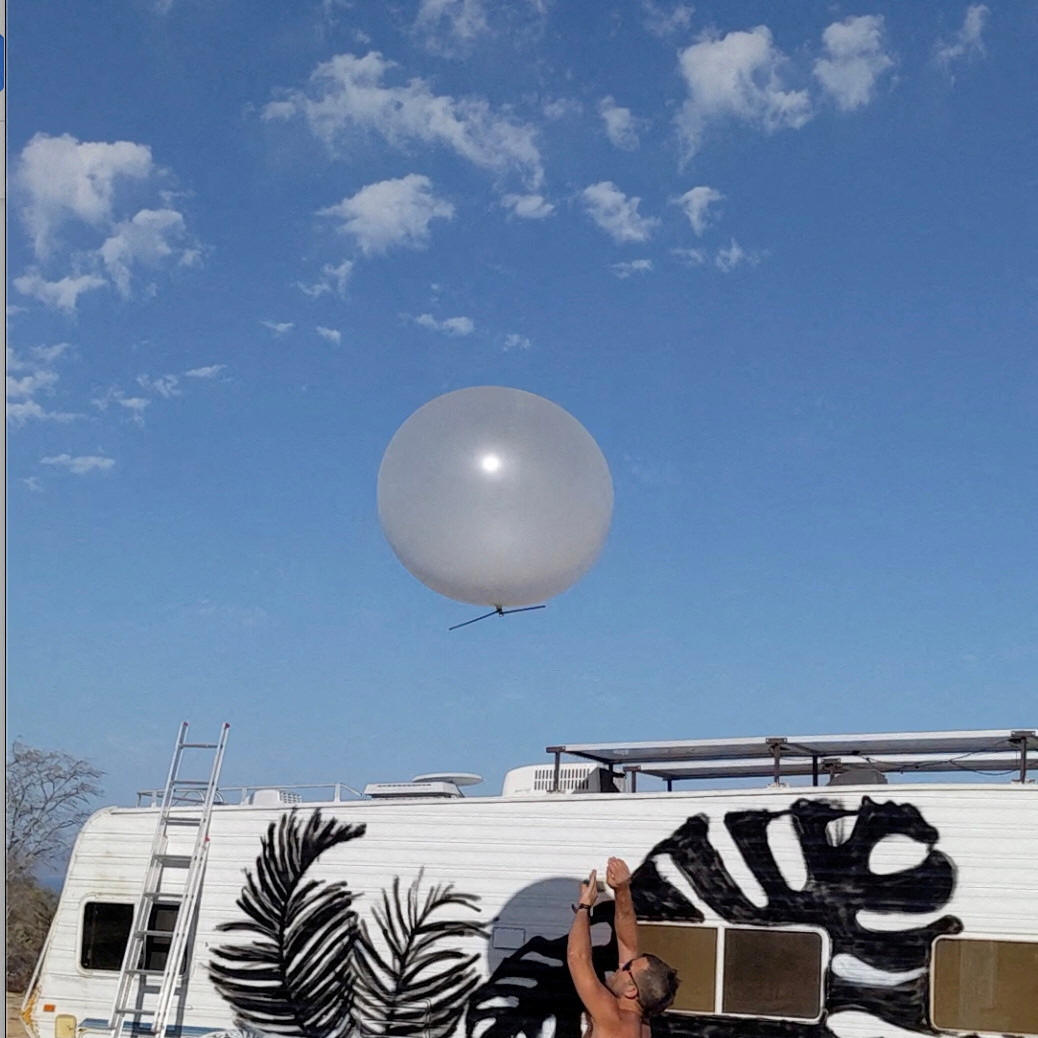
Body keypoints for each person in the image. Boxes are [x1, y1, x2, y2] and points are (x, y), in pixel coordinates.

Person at [567, 857, 680, 1038]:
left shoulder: (614, 1019)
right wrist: (622, 889)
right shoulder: (640, 1022)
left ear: (631, 990)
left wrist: (585, 906)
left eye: (627, 967)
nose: (620, 967)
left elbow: (577, 958)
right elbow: (627, 943)